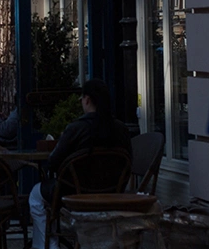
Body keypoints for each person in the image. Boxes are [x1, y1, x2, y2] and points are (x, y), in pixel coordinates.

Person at [29, 79, 132, 249]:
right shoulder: (121, 129)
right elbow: (129, 163)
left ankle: (48, 246)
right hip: (112, 192)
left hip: (74, 193)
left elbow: (53, 163)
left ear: (87, 99)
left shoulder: (76, 128)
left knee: (35, 195)